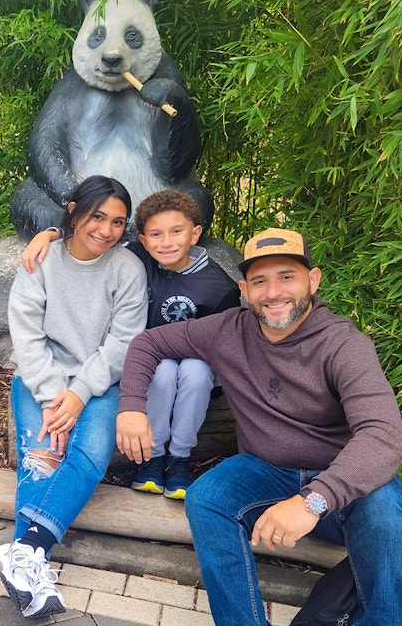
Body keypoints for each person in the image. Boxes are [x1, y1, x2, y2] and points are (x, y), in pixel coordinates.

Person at [116, 227, 402, 625]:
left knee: (386, 515)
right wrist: (132, 407)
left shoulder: (343, 344)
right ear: (244, 289)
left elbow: (383, 436)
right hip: (265, 471)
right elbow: (147, 343)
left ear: (313, 280)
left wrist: (313, 500)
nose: (273, 292)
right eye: (259, 281)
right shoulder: (227, 330)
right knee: (206, 498)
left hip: (339, 480)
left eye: (286, 277)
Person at [0, 175, 148, 619]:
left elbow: (123, 343)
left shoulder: (127, 269)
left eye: (118, 222)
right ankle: (32, 564)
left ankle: (24, 552)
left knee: (90, 454)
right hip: (40, 380)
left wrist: (78, 394)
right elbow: (27, 335)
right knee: (42, 456)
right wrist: (52, 396)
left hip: (99, 383)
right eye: (98, 217)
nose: (106, 230)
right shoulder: (42, 260)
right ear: (75, 212)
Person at [21, 189, 240, 499]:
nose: (166, 242)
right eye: (156, 234)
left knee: (195, 371)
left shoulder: (218, 287)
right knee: (163, 370)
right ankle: (152, 456)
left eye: (177, 232)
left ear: (195, 234)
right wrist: (50, 233)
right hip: (146, 365)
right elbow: (94, 234)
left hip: (196, 368)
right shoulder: (137, 256)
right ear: (144, 239)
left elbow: (222, 345)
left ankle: (179, 458)